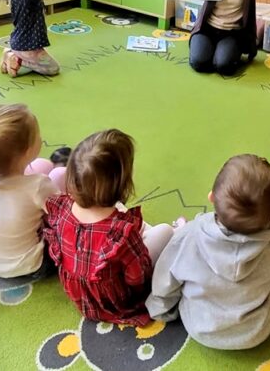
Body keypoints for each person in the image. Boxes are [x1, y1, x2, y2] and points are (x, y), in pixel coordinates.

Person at [146, 154, 270, 349]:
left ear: (211, 197)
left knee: (178, 264)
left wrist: (159, 308)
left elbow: (165, 276)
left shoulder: (189, 235)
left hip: (199, 326)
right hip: (257, 331)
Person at [43, 129, 176, 326]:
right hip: (116, 301)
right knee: (166, 231)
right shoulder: (121, 232)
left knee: (134, 236)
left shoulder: (62, 208)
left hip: (81, 296)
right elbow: (138, 277)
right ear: (123, 183)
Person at [0, 104, 60, 279]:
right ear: (27, 151)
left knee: (43, 169)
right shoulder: (38, 186)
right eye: (37, 136)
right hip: (28, 266)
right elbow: (63, 217)